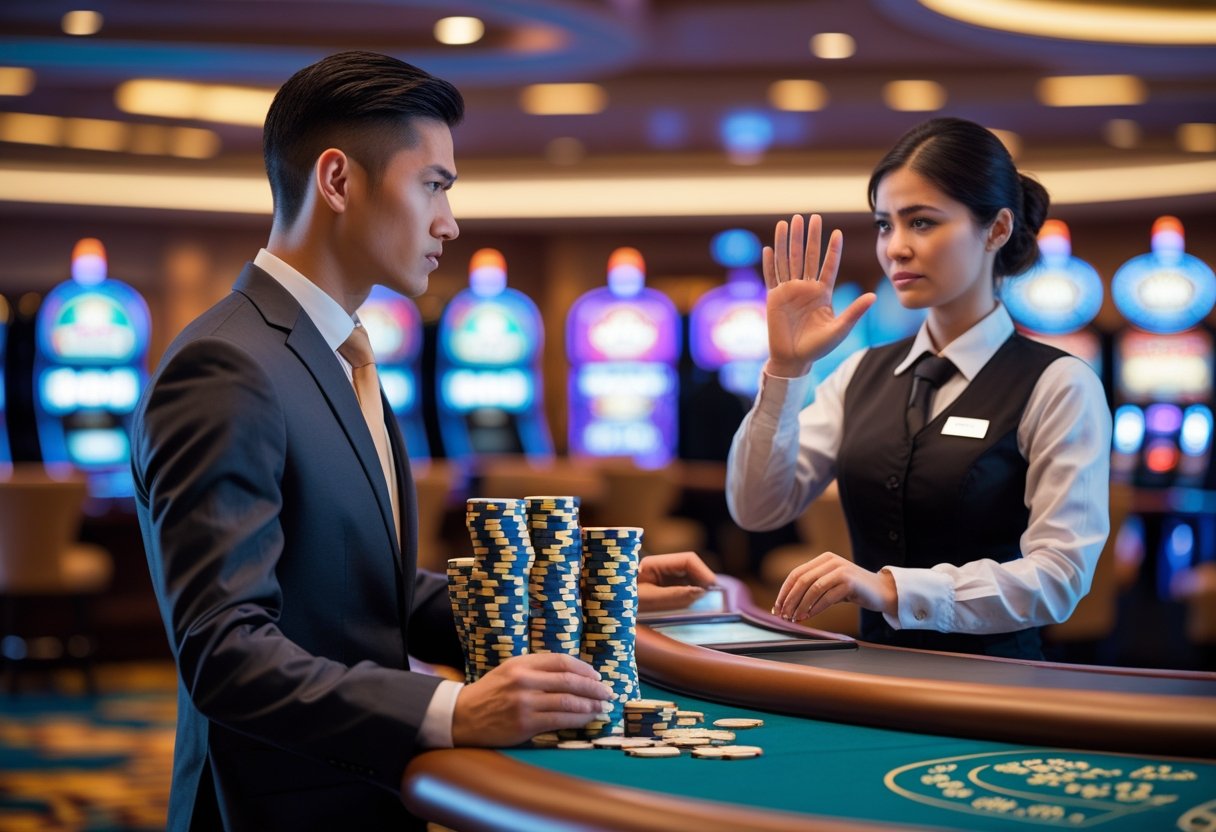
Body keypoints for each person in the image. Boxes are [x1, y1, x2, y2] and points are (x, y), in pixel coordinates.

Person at [132, 51, 716, 831]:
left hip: (362, 788)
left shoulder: (338, 351)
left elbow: (373, 592)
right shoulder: (228, 365)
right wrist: (450, 710)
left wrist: (573, 594)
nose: (451, 221)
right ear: (338, 181)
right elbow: (225, 652)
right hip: (272, 804)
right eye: (433, 185)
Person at [726, 117, 1111, 660]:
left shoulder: (1060, 382)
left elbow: (1060, 575)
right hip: (873, 675)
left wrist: (893, 588)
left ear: (997, 229)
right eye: (886, 225)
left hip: (1000, 687)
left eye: (922, 223)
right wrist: (786, 369)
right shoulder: (859, 373)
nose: (897, 248)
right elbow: (757, 508)